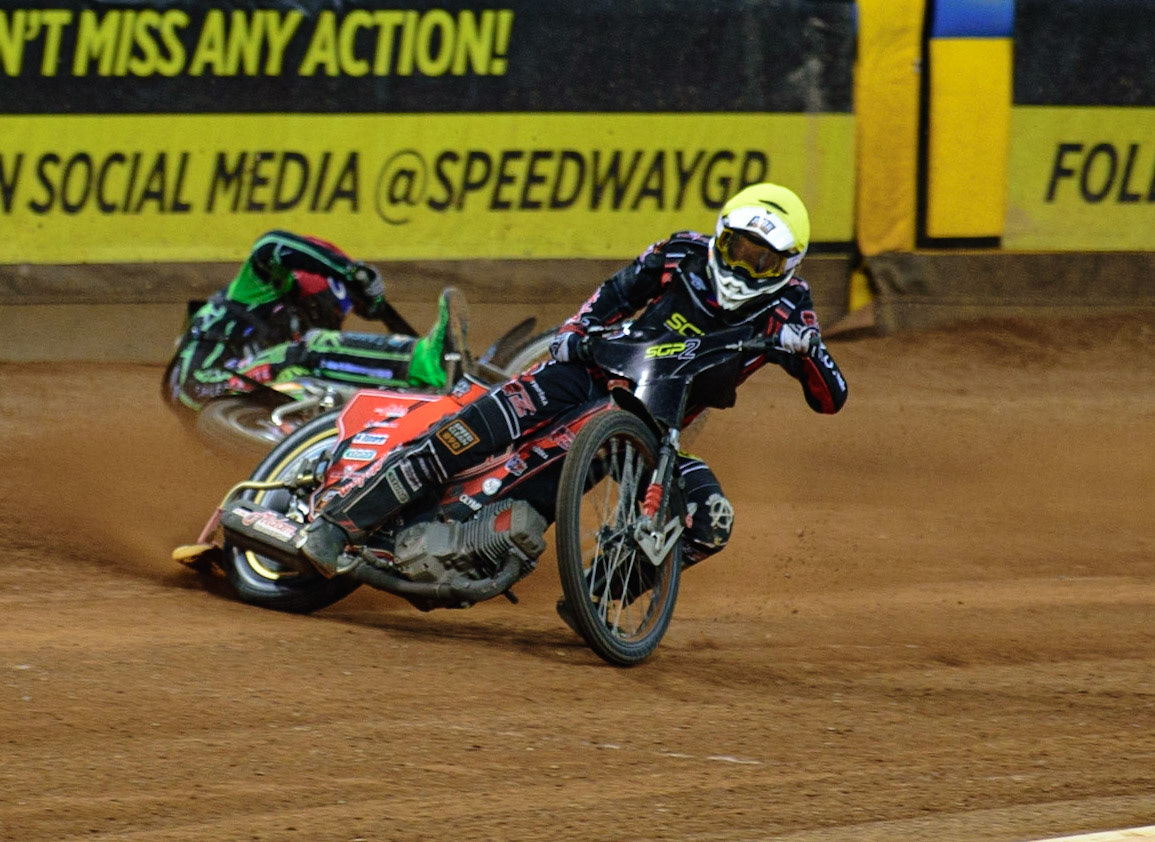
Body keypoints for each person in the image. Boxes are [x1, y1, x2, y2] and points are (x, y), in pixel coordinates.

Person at [296, 183, 848, 595]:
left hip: (653, 427)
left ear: (789, 264)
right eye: (736, 250)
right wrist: (575, 333)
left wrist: (808, 350)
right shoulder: (680, 252)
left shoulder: (790, 308)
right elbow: (615, 291)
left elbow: (832, 397)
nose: (744, 268)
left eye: (763, 261)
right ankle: (339, 522)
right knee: (468, 433)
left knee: (708, 520)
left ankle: (603, 596)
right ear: (719, 236)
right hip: (586, 370)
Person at [163, 230, 452, 413]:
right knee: (312, 349)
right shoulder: (261, 288)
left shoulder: (297, 331)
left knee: (326, 380)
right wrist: (349, 271)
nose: (332, 320)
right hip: (202, 381)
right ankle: (424, 362)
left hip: (238, 408)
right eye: (326, 310)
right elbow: (271, 244)